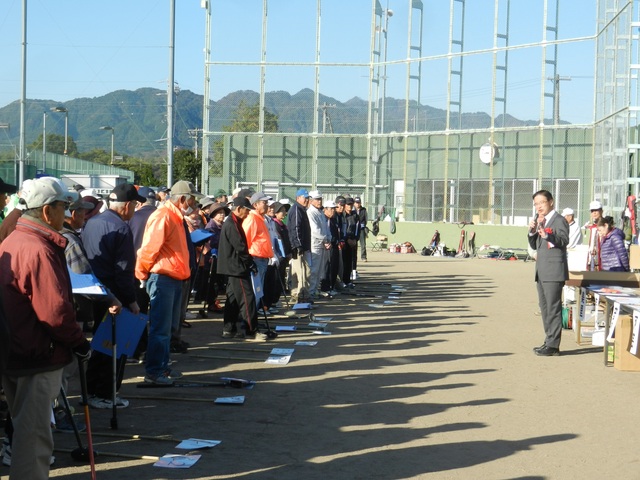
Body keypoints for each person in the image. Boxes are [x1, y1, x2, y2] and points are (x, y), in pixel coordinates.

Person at [0, 178, 90, 480]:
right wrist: (78, 342)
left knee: (26, 427)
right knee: (34, 435)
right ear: (48, 210)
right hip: (37, 352)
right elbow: (54, 311)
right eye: (64, 206)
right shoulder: (37, 247)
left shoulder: (15, 239)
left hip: (19, 348)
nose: (67, 212)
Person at [82, 183, 144, 407]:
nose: (135, 210)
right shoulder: (120, 228)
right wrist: (131, 300)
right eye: (135, 205)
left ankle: (91, 391)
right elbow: (123, 270)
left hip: (93, 291)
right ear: (127, 205)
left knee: (99, 344)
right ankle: (105, 394)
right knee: (113, 346)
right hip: (114, 295)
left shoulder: (93, 222)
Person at [135, 180, 202, 385]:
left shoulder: (175, 216)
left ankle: (161, 367)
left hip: (173, 278)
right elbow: (148, 249)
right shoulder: (164, 216)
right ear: (182, 199)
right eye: (191, 199)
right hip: (163, 278)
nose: (194, 203)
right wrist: (142, 273)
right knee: (161, 328)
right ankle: (155, 371)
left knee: (168, 328)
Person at [527, 189, 569, 357]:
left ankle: (553, 345)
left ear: (551, 202)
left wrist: (548, 236)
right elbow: (534, 243)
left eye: (541, 203)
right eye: (536, 204)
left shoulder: (559, 220)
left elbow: (564, 240)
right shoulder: (540, 220)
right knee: (544, 308)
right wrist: (532, 231)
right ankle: (549, 340)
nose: (539, 207)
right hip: (542, 270)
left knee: (553, 308)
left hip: (553, 271)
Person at [217, 197, 264, 339]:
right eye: (246, 210)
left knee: (233, 299)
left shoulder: (235, 222)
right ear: (238, 209)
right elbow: (240, 247)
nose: (248, 213)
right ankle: (251, 331)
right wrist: (250, 262)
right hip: (235, 267)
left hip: (233, 266)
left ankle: (229, 328)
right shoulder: (232, 223)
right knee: (247, 298)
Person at [243, 192, 276, 312]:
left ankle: (254, 319)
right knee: (255, 290)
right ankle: (250, 321)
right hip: (256, 259)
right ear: (255, 205)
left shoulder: (260, 218)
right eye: (264, 203)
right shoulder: (252, 218)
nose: (267, 206)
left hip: (262, 259)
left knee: (258, 290)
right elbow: (245, 241)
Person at [204, 202, 231, 313]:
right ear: (213, 215)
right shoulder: (211, 226)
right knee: (212, 282)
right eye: (219, 213)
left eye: (223, 213)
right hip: (213, 257)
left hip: (222, 257)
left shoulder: (223, 225)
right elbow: (211, 243)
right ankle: (211, 304)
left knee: (219, 282)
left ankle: (215, 302)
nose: (222, 215)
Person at [288, 188, 312, 303]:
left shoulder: (302, 209)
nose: (307, 200)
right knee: (301, 272)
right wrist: (298, 245)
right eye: (305, 198)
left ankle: (298, 294)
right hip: (298, 247)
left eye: (308, 198)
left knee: (302, 271)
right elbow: (295, 228)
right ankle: (300, 296)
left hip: (303, 246)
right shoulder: (297, 209)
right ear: (298, 198)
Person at [307, 190, 331, 299]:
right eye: (317, 199)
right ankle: (311, 291)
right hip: (315, 244)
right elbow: (315, 230)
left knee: (320, 269)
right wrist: (326, 240)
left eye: (320, 199)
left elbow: (326, 228)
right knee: (314, 269)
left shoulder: (320, 212)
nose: (319, 201)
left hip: (323, 244)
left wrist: (328, 240)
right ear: (311, 200)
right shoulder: (310, 212)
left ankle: (316, 290)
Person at [584, 200, 603, 270]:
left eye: (596, 210)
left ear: (601, 211)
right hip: (590, 258)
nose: (594, 213)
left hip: (602, 259)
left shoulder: (606, 226)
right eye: (592, 211)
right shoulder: (589, 227)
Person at [354, 196, 368, 263]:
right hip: (354, 229)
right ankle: (353, 256)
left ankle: (363, 257)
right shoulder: (352, 210)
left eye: (358, 203)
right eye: (356, 203)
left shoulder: (363, 210)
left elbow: (365, 219)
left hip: (361, 229)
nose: (357, 204)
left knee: (363, 244)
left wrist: (363, 225)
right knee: (353, 244)